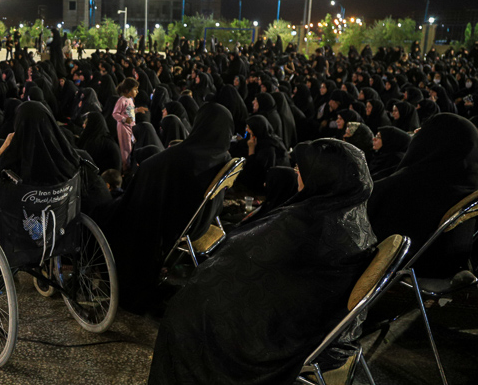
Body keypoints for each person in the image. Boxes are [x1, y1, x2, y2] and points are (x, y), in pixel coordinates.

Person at [149, 139, 377, 385]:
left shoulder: (311, 224)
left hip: (290, 332)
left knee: (185, 316)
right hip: (315, 320)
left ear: (324, 178)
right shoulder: (352, 218)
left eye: (302, 170)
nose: (298, 174)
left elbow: (253, 257)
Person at [104, 103, 234, 313]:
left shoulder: (185, 156)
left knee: (121, 216)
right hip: (201, 221)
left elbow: (149, 172)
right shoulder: (221, 155)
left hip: (179, 225)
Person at [368, 113, 478, 277]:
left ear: (433, 139)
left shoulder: (413, 185)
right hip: (443, 270)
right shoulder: (467, 183)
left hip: (399, 270)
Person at [0, 101, 81, 228]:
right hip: (56, 226)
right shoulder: (68, 160)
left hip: (17, 228)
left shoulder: (11, 163)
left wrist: (2, 149)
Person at [112, 78, 147, 172]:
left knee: (131, 146)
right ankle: (125, 168)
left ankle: (130, 165)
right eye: (135, 89)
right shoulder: (121, 100)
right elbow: (115, 114)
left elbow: (128, 111)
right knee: (125, 148)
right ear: (127, 90)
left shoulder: (130, 99)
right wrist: (124, 119)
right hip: (123, 127)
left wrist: (137, 110)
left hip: (131, 126)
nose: (137, 91)